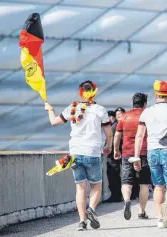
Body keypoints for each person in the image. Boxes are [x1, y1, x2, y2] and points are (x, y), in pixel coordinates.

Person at [44, 80, 112, 231]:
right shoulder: (100, 110)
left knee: (80, 188)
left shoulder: (72, 108)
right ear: (94, 91)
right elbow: (108, 132)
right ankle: (91, 210)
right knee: (96, 186)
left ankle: (82, 222)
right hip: (93, 153)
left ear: (80, 92)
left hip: (74, 153)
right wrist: (108, 146)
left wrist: (50, 109)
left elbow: (54, 122)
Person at [133, 80, 167, 229]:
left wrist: (136, 156)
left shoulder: (147, 112)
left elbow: (140, 135)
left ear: (156, 95)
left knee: (158, 186)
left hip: (152, 151)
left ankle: (160, 219)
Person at [113, 93, 151, 220]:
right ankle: (141, 211)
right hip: (145, 152)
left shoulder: (124, 116)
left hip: (127, 153)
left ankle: (127, 200)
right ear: (145, 103)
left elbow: (117, 136)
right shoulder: (147, 115)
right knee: (144, 184)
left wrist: (116, 150)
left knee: (126, 181)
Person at [103, 110, 122, 203]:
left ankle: (116, 196)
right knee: (115, 175)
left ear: (110, 117)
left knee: (113, 175)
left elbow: (111, 140)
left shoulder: (113, 127)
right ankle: (116, 195)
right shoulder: (115, 125)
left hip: (112, 156)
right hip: (113, 154)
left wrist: (106, 149)